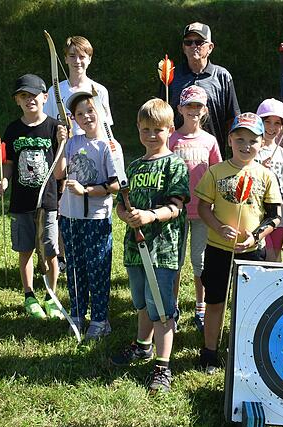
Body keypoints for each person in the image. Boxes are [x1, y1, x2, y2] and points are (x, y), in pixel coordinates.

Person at [110, 98, 189, 394]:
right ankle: (143, 346)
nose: (151, 135)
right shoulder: (133, 165)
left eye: (157, 129)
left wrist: (149, 216)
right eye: (145, 129)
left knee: (163, 309)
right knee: (142, 301)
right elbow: (121, 205)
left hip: (162, 250)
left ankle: (163, 365)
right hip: (134, 248)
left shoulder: (174, 164)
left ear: (169, 130)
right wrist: (127, 215)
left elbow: (176, 207)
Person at [195, 112, 282, 373]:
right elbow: (203, 207)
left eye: (253, 140)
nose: (246, 145)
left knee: (248, 304)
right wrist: (219, 227)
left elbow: (275, 216)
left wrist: (256, 236)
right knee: (215, 301)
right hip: (218, 249)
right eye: (240, 139)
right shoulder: (215, 172)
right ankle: (210, 351)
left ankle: (242, 350)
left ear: (261, 143)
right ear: (230, 140)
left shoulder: (265, 175)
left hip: (252, 252)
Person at [0, 74, 64, 320]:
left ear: (45, 98)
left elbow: (60, 170)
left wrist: (63, 143)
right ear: (17, 100)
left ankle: (51, 297)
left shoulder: (55, 127)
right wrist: (4, 179)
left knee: (50, 252)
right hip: (21, 202)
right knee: (25, 251)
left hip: (47, 201)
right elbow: (9, 162)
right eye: (23, 96)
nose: (29, 100)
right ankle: (29, 296)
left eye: (34, 95)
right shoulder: (13, 129)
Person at [53, 92, 121, 339]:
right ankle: (78, 313)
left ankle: (101, 319)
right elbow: (59, 173)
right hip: (71, 216)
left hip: (96, 218)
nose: (86, 117)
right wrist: (61, 143)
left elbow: (116, 184)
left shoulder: (108, 144)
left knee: (98, 268)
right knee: (75, 268)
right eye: (80, 114)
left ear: (100, 112)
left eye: (90, 111)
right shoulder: (72, 143)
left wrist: (87, 191)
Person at [168, 85, 222, 332]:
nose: (193, 110)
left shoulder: (209, 141)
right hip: (175, 211)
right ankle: (173, 307)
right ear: (179, 108)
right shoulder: (170, 138)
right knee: (175, 262)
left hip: (201, 211)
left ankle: (200, 307)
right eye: (189, 105)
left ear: (205, 110)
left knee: (199, 262)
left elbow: (217, 173)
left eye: (198, 106)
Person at [166, 22, 240, 158]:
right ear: (183, 47)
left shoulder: (222, 76)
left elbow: (232, 119)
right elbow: (161, 115)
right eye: (188, 42)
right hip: (176, 154)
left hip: (213, 154)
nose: (193, 46)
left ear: (210, 47)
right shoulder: (171, 75)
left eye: (199, 42)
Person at [255, 98, 283, 262]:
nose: (272, 128)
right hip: (257, 215)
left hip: (280, 217)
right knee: (261, 257)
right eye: (267, 122)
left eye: (277, 123)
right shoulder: (251, 152)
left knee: (274, 260)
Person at [44, 35, 113, 136]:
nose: (77, 61)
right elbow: (46, 125)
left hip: (92, 149)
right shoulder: (54, 91)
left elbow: (106, 128)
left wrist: (113, 148)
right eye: (72, 56)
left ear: (89, 59)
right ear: (66, 59)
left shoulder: (99, 91)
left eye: (82, 57)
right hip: (64, 149)